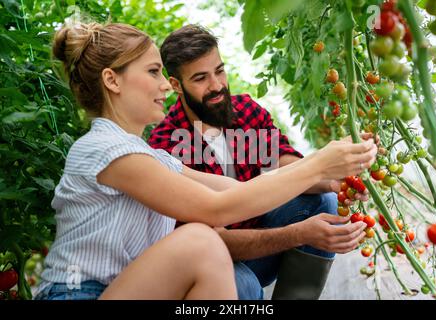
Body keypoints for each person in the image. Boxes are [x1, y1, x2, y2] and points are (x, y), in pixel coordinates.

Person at [35, 21, 375, 300]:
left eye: (219, 72)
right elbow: (218, 208)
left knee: (212, 242)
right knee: (204, 243)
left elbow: (234, 189)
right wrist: (315, 174)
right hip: (78, 293)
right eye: (153, 72)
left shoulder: (147, 155)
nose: (163, 88)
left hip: (129, 288)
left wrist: (332, 171)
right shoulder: (110, 150)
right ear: (112, 80)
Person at [149, 24, 373, 300]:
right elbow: (208, 242)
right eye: (200, 78)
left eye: (219, 71)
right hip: (211, 263)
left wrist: (333, 181)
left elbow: (281, 160)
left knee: (322, 201)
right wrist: (298, 234)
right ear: (175, 86)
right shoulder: (167, 148)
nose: (217, 85)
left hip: (259, 245)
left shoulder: (244, 110)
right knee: (242, 285)